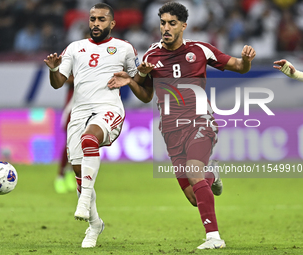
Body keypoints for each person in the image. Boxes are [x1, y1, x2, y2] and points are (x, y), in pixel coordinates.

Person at [108, 2, 256, 250]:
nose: (166, 28)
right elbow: (145, 96)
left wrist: (247, 60)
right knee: (193, 196)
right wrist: (132, 81)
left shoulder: (200, 50)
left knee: (194, 170)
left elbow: (240, 67)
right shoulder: (151, 56)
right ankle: (213, 174)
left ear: (183, 26)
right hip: (171, 130)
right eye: (163, 23)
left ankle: (213, 237)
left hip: (200, 121)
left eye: (172, 23)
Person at [43, 3, 139, 248]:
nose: (96, 23)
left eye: (101, 19)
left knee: (89, 139)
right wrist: (54, 69)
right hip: (80, 111)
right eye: (93, 19)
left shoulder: (124, 48)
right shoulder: (75, 48)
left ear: (112, 23)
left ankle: (84, 200)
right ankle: (95, 225)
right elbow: (58, 83)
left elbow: (140, 82)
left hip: (109, 109)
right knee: (78, 170)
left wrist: (135, 80)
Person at [54, 75, 77, 194]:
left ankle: (70, 172)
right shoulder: (75, 58)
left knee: (81, 144)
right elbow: (65, 78)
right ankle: (60, 176)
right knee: (70, 143)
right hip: (72, 107)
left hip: (88, 107)